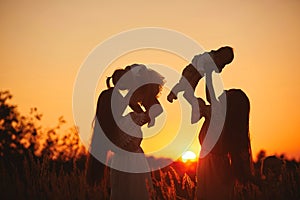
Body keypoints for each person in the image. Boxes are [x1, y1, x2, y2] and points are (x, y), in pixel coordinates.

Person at [86, 64, 165, 200]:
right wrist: (140, 87)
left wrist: (132, 94)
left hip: (118, 163)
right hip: (135, 163)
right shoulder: (131, 119)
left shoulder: (108, 129)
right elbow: (157, 109)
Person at [196, 88, 254, 200]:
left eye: (227, 94)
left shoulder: (217, 122)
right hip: (216, 182)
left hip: (215, 184)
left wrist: (209, 72)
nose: (224, 91)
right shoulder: (226, 130)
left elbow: (210, 95)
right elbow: (246, 172)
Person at [167, 46, 234, 124]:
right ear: (219, 55)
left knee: (188, 92)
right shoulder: (209, 57)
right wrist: (201, 69)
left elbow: (211, 77)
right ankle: (173, 93)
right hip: (192, 70)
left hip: (196, 74)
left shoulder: (213, 63)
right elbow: (201, 60)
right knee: (183, 85)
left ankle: (197, 106)